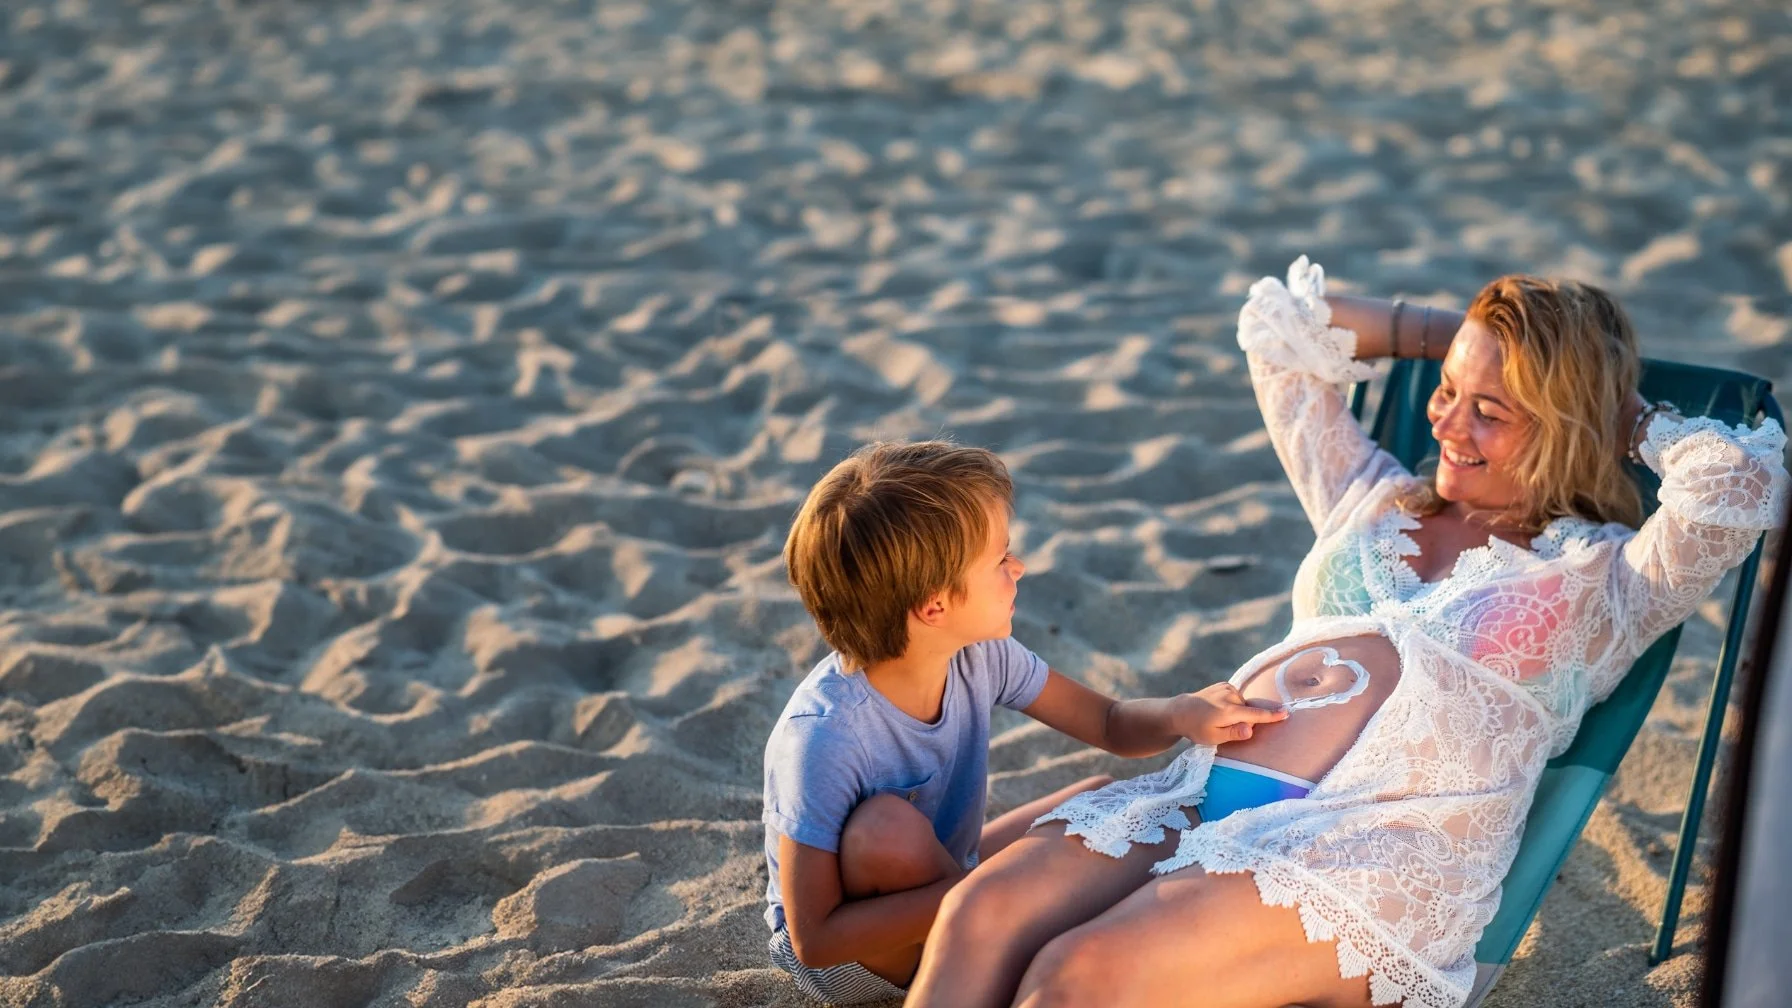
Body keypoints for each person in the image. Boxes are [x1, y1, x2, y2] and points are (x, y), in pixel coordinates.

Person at [904, 258, 1790, 1008]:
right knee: (980, 914)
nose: (1447, 422)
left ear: (1569, 428)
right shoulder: (1370, 495)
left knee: (1078, 974)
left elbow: (1737, 483)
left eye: (1493, 409)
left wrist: (1621, 411)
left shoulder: (1612, 580)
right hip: (1197, 793)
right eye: (1448, 392)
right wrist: (1468, 333)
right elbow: (1282, 325)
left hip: (1373, 854)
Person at [762, 440, 1288, 1004]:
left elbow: (1109, 724)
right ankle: (997, 938)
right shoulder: (824, 736)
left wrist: (1182, 713)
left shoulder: (976, 654)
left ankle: (1004, 915)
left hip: (944, 875)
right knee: (885, 829)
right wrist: (994, 893)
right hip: (853, 959)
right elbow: (815, 938)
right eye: (999, 559)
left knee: (1103, 803)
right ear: (934, 606)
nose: (1020, 567)